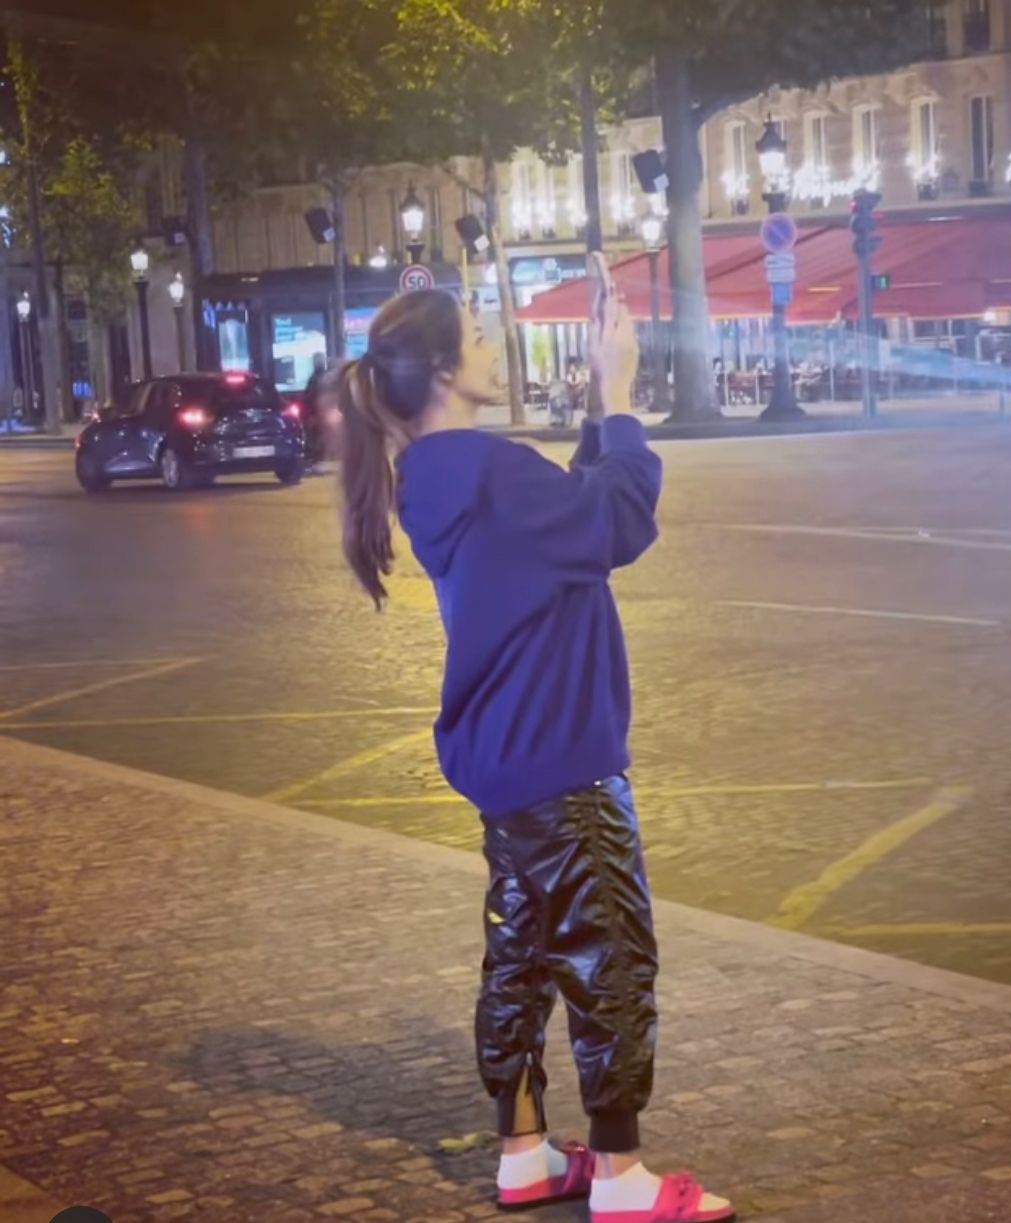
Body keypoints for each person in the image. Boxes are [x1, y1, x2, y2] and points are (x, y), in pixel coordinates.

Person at [337, 288, 733, 1223]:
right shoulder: (493, 470)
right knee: (610, 957)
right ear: (444, 370)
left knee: (519, 954)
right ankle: (624, 1175)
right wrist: (621, 395)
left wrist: (596, 406)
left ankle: (524, 1152)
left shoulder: (438, 474)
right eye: (479, 336)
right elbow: (617, 519)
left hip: (507, 758)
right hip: (564, 755)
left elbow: (570, 515)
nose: (495, 345)